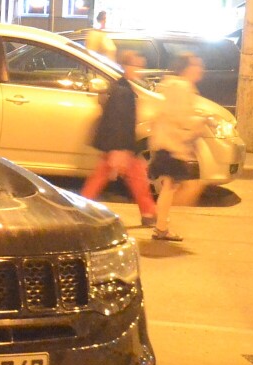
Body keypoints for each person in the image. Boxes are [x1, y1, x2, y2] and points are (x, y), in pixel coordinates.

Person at [80, 51, 158, 226]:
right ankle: (149, 214)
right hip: (119, 145)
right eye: (137, 66)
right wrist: (119, 150)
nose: (140, 70)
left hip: (119, 144)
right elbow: (118, 122)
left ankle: (149, 213)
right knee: (129, 177)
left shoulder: (123, 88)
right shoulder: (123, 92)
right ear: (127, 66)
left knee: (107, 176)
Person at [148, 53, 217, 242]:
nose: (200, 69)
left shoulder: (171, 85)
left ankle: (161, 225)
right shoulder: (182, 87)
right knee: (188, 186)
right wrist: (204, 120)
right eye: (197, 65)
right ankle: (159, 220)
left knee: (170, 186)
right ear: (187, 68)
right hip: (172, 145)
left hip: (167, 143)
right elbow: (182, 119)